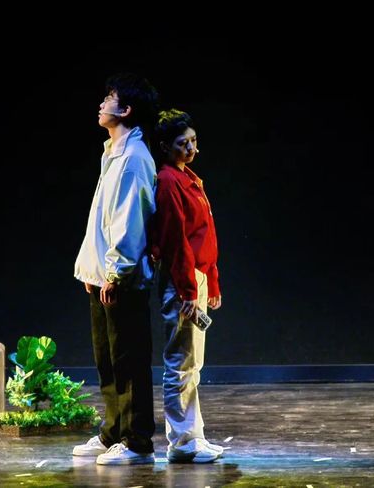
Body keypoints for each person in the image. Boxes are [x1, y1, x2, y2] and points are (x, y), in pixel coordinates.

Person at [72, 73, 159, 465]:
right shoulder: (112, 152)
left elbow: (129, 222)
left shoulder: (134, 158)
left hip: (121, 279)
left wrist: (115, 273)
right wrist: (93, 271)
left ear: (126, 109)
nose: (102, 103)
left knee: (129, 360)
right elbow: (102, 220)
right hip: (103, 275)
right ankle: (113, 433)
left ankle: (136, 441)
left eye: (109, 97)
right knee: (107, 359)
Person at [150, 108, 225, 463]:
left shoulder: (190, 178)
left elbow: (205, 237)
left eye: (193, 141)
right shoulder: (168, 181)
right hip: (182, 280)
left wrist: (212, 281)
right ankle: (180, 442)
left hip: (196, 277)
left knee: (193, 364)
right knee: (180, 363)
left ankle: (194, 436)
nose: (191, 149)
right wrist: (188, 291)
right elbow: (175, 240)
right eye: (182, 144)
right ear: (166, 147)